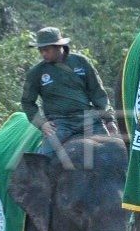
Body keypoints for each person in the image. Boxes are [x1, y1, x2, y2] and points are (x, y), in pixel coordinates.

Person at [20, 27, 117, 157]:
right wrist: (42, 124)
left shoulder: (81, 62)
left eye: (46, 50)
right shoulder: (36, 73)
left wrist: (109, 119)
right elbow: (27, 102)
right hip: (60, 123)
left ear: (58, 46)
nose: (43, 54)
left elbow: (97, 92)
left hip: (88, 119)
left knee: (112, 152)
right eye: (40, 50)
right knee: (44, 159)